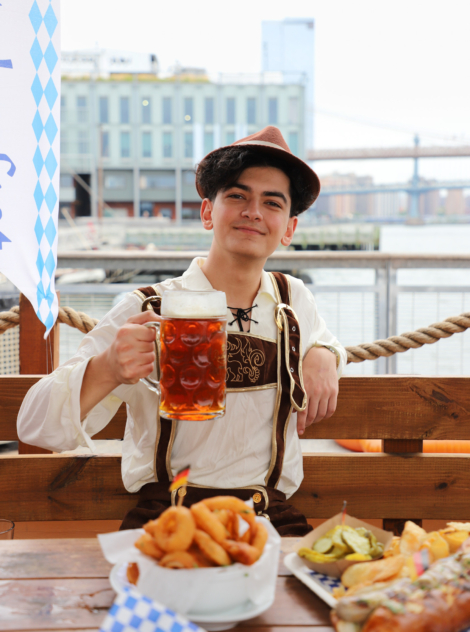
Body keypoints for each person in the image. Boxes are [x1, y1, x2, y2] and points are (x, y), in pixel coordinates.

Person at [18, 126, 346, 535]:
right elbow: (33, 426)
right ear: (208, 212)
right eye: (237, 196)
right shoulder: (147, 307)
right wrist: (108, 368)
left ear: (289, 228)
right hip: (167, 517)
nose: (253, 212)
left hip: (268, 519)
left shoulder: (293, 300)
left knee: (319, 597)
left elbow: (325, 339)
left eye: (271, 202)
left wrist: (324, 354)